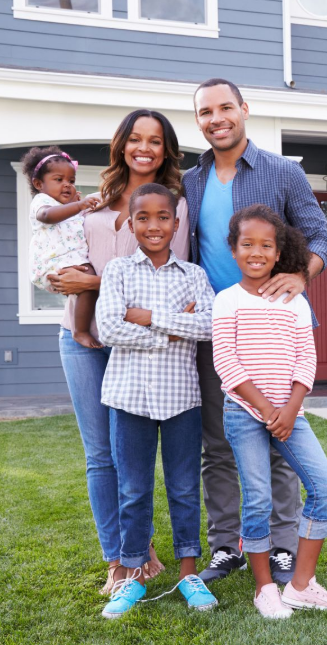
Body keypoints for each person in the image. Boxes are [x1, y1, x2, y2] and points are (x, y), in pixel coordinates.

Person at [184, 78, 327, 584]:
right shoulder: (191, 180)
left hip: (277, 329)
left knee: (281, 441)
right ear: (199, 120)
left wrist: (301, 273)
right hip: (219, 330)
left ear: (244, 109)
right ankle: (227, 546)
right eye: (205, 111)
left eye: (225, 107)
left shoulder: (281, 172)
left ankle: (284, 546)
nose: (216, 117)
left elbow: (319, 236)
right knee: (219, 444)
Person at [48, 109, 190, 594]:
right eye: (135, 138)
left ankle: (139, 545)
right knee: (99, 455)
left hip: (138, 346)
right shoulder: (92, 201)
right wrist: (65, 278)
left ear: (166, 149)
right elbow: (65, 261)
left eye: (154, 140)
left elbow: (170, 283)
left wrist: (92, 280)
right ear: (122, 144)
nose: (143, 148)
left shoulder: (176, 206)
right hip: (81, 337)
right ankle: (120, 557)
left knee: (135, 454)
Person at [213, 205, 327, 618]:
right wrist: (268, 409)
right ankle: (264, 588)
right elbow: (227, 364)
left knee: (325, 488)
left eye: (266, 245)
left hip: (291, 413)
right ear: (233, 251)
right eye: (247, 244)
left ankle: (301, 586)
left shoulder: (296, 302)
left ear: (278, 252)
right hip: (244, 412)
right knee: (258, 499)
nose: (257, 252)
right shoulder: (226, 301)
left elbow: (306, 360)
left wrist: (290, 410)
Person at [97, 184, 217, 619]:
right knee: (133, 489)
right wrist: (172, 328)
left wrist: (147, 318)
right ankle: (131, 574)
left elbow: (206, 326)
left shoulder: (194, 276)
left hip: (181, 398)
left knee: (185, 488)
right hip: (129, 398)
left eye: (162, 217)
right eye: (143, 218)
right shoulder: (117, 272)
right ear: (131, 224)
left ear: (176, 222)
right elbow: (109, 328)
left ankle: (189, 573)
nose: (153, 226)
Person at [23, 146, 103, 348]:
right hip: (53, 262)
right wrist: (78, 205)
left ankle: (81, 327)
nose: (67, 185)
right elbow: (47, 216)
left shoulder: (68, 206)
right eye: (59, 180)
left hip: (70, 259)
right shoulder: (42, 201)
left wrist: (76, 205)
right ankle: (80, 331)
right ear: (39, 184)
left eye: (71, 181)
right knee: (87, 283)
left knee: (87, 283)